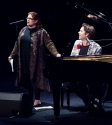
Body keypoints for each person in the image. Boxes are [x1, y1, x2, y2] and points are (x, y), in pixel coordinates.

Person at [8, 11, 61, 107]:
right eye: (27, 18)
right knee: (27, 77)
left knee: (35, 78)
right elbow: (17, 44)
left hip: (36, 59)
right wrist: (12, 55)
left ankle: (37, 99)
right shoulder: (23, 30)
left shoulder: (41, 31)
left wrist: (56, 53)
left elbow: (49, 43)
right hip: (23, 58)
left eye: (30, 18)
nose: (27, 20)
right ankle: (29, 98)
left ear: (36, 21)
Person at [70, 23, 107, 113]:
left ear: (87, 34)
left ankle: (94, 103)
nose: (78, 32)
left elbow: (96, 65)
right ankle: (89, 102)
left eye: (81, 31)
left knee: (94, 83)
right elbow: (72, 57)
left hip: (91, 72)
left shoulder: (97, 47)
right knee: (73, 82)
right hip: (79, 71)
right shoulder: (77, 43)